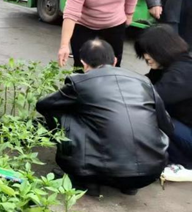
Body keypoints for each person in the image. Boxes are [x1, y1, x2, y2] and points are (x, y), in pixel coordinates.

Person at [37, 39, 173, 196]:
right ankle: (129, 184)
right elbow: (167, 125)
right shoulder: (144, 82)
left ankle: (85, 179)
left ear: (83, 63)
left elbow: (44, 105)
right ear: (115, 61)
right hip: (151, 172)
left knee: (61, 111)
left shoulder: (80, 82)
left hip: (94, 171)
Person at [135, 25, 192, 171]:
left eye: (147, 53)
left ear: (160, 49)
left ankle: (181, 162)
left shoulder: (182, 73)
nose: (146, 58)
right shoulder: (168, 66)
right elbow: (143, 84)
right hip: (185, 127)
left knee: (153, 116)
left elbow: (150, 98)